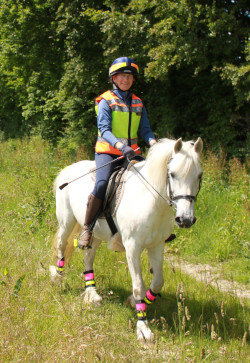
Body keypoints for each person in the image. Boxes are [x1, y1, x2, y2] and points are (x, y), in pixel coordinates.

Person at [78, 56, 157, 248]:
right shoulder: (106, 100)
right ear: (114, 78)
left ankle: (155, 227)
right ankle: (87, 229)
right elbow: (104, 130)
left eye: (129, 77)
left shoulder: (138, 102)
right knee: (102, 184)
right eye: (121, 76)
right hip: (108, 151)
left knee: (153, 182)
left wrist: (154, 143)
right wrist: (121, 146)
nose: (125, 80)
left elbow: (145, 130)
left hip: (132, 154)